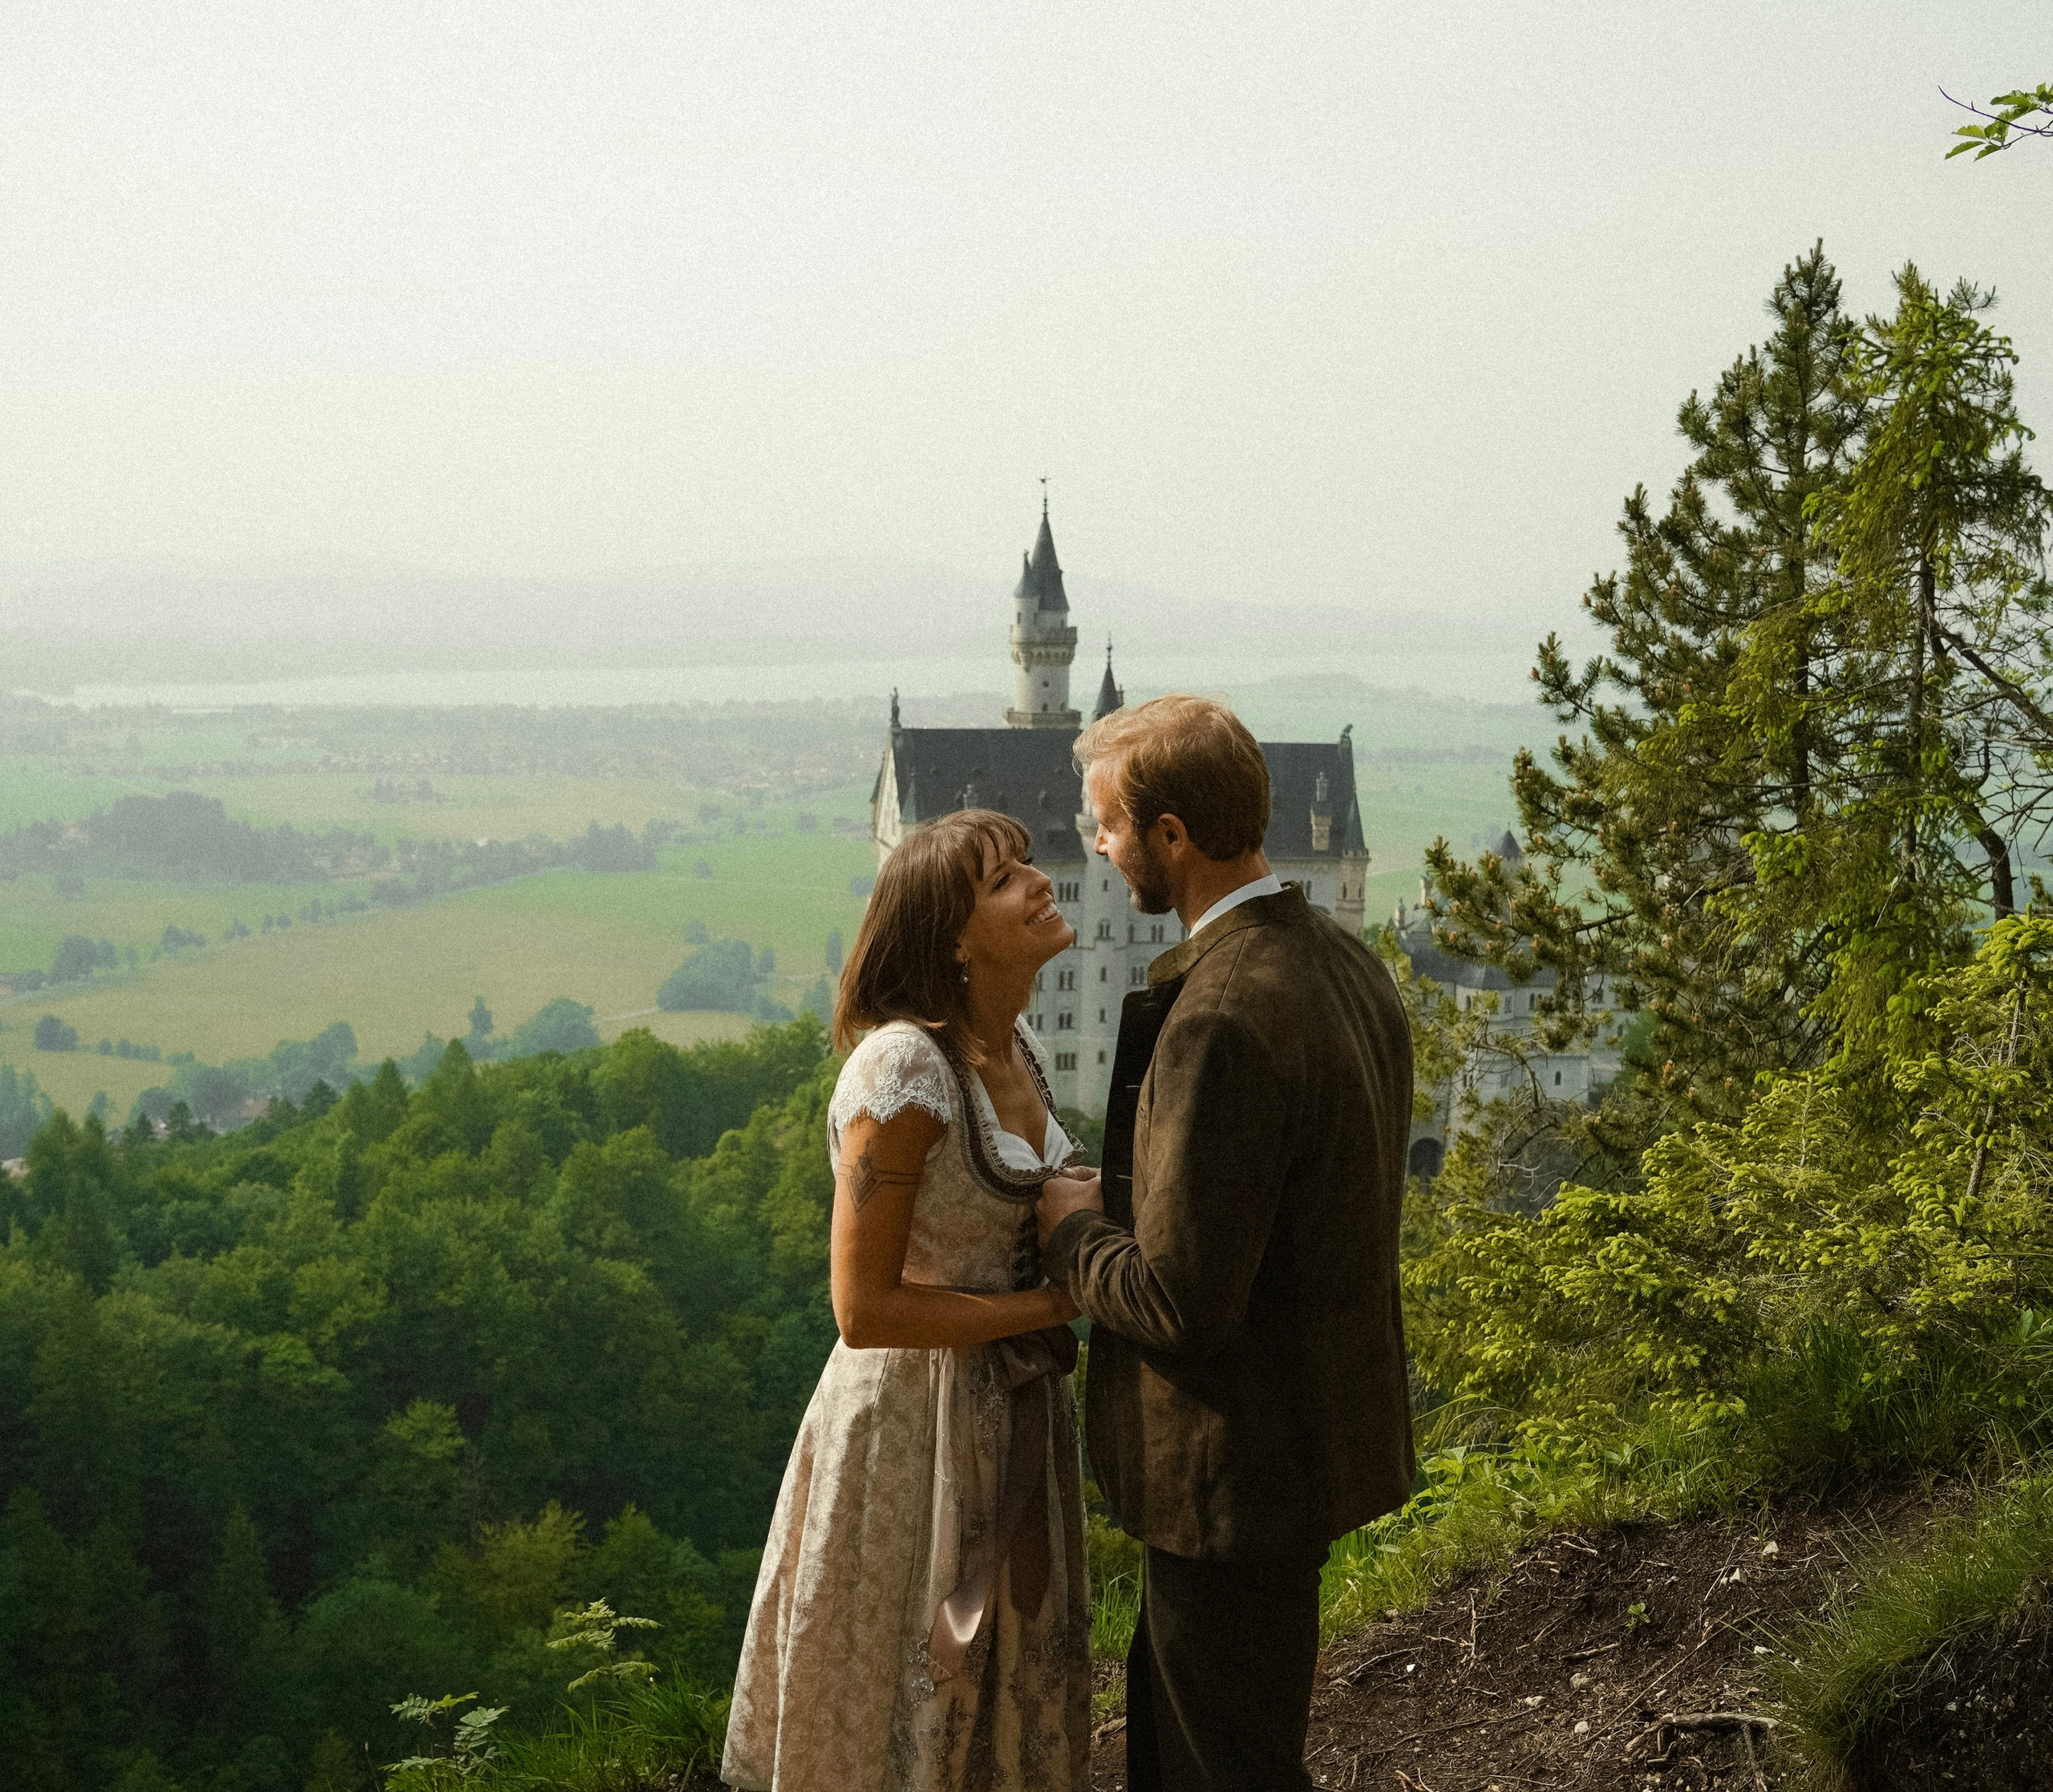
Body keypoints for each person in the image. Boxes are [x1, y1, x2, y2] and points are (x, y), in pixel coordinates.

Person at [1036, 694, 1416, 1792]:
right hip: (1308, 1437)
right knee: (1191, 1743)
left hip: (1233, 1467)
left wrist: (1072, 1233)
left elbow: (1181, 1299)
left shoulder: (1222, 1016)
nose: (1098, 851)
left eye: (1106, 827)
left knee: (1227, 1764)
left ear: (1171, 835)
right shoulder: (1346, 964)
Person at [723, 809, 1096, 1792]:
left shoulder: (1020, 1051)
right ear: (953, 938)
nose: (1038, 881)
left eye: (1026, 863)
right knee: (907, 1681)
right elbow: (864, 1310)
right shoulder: (902, 1069)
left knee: (1004, 1686)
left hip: (1011, 1413)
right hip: (909, 1432)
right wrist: (1053, 1309)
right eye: (1003, 878)